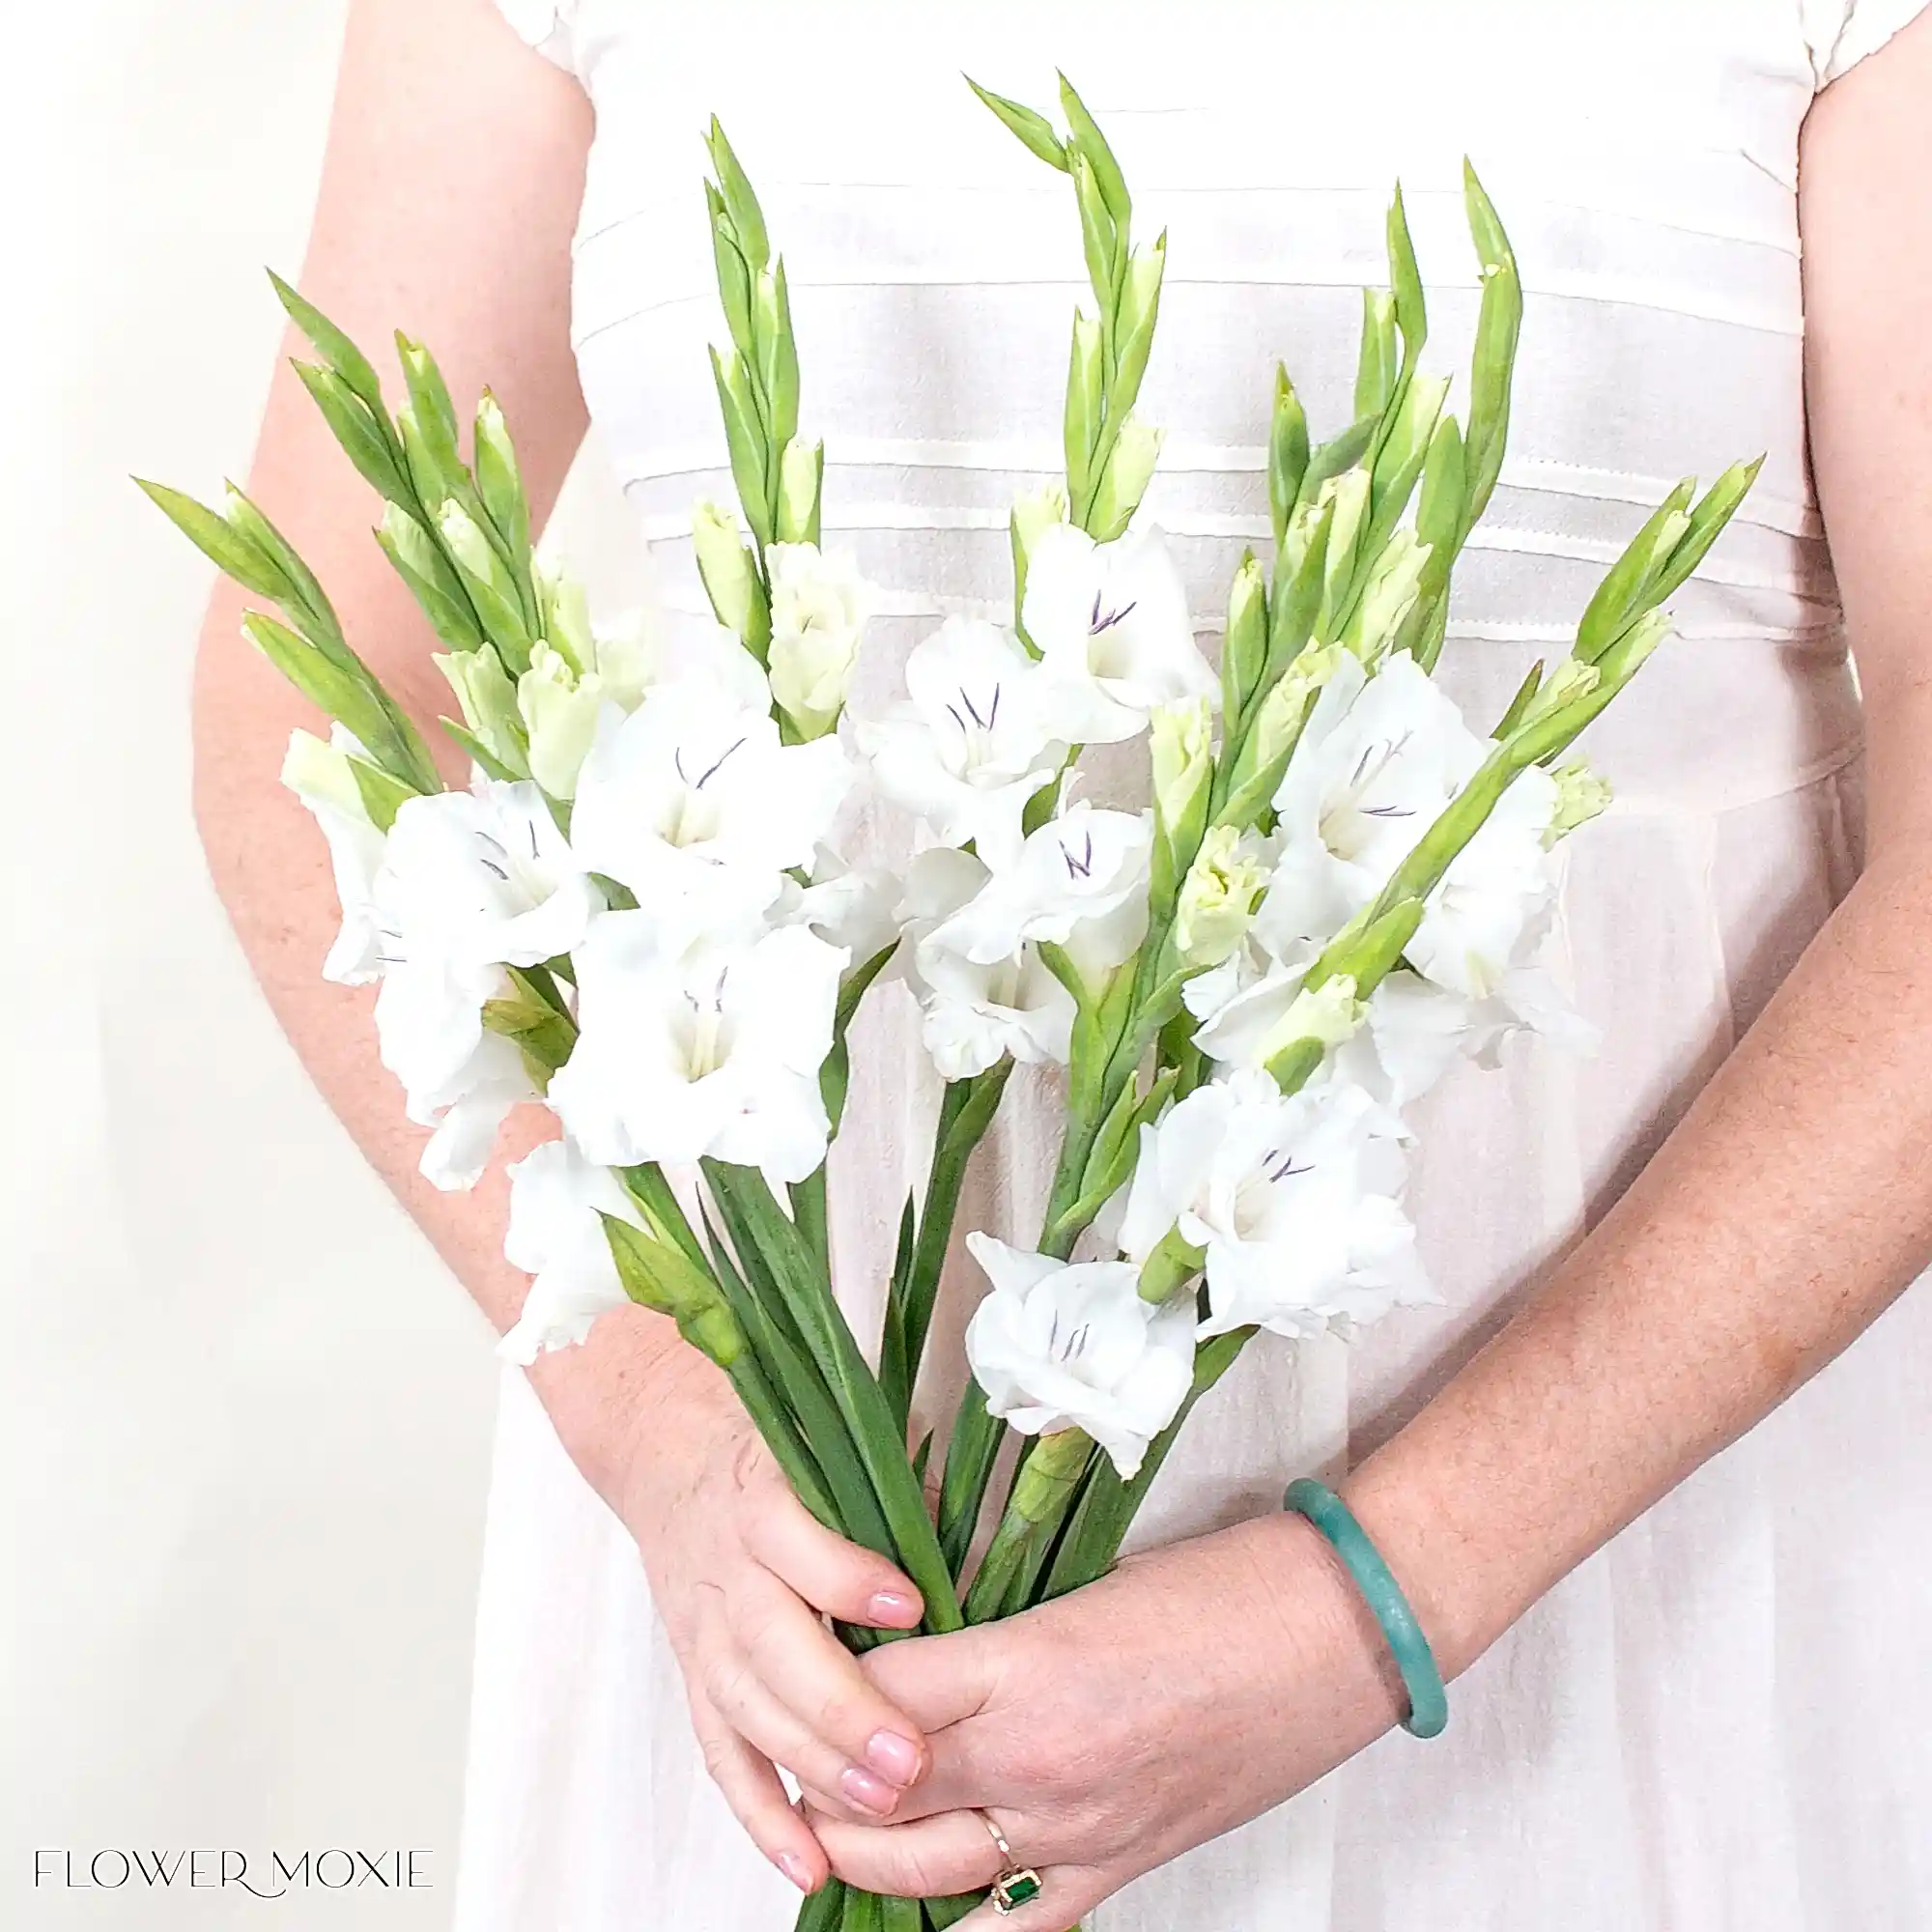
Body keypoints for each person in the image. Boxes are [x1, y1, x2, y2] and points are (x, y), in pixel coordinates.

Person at [191, 1, 1932, 1925]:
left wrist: (1384, 1586)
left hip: (1623, 1534)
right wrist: (673, 1435)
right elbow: (316, 685)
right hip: (821, 1587)